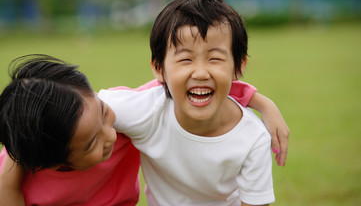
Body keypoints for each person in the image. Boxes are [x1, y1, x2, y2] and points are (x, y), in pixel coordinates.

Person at [0, 53, 288, 205]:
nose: (111, 134)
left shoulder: (126, 111)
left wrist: (262, 103)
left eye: (103, 113)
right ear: (53, 161)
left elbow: (185, 86)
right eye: (91, 144)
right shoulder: (27, 157)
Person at [96, 0, 284, 205]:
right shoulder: (146, 110)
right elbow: (77, 107)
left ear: (238, 66)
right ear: (159, 68)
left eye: (215, 59)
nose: (201, 73)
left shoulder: (253, 137)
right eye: (185, 59)